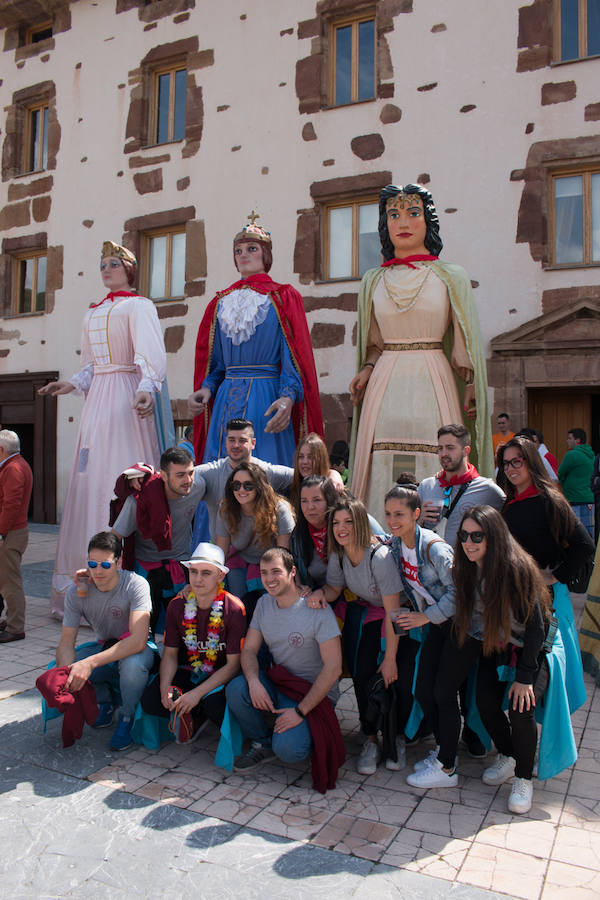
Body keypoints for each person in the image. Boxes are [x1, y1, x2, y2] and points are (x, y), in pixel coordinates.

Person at [38, 241, 174, 616]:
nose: (106, 268)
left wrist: (147, 388)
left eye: (114, 263)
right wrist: (70, 384)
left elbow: (150, 355)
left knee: (120, 474)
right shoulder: (93, 313)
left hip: (124, 395)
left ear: (130, 270)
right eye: (102, 264)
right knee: (89, 479)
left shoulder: (139, 306)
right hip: (98, 399)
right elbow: (91, 365)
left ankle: (123, 588)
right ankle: (81, 591)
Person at [348, 183, 493, 524]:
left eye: (413, 213)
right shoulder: (373, 279)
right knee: (381, 455)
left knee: (436, 448)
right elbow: (374, 342)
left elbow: (464, 337)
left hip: (433, 374)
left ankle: (442, 536)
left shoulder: (450, 276)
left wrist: (470, 380)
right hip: (385, 381)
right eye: (393, 214)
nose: (403, 222)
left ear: (428, 221)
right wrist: (368, 368)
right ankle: (376, 534)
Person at [189, 214, 323, 466]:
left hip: (266, 397)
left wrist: (288, 396)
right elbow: (216, 363)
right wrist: (206, 389)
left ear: (266, 255)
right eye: (238, 250)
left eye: (251, 248)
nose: (243, 254)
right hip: (226, 400)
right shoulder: (220, 302)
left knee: (263, 468)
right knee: (222, 470)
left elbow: (292, 358)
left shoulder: (282, 297)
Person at [451, 507, 553, 814]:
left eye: (477, 536)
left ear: (493, 537)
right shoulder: (468, 567)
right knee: (485, 701)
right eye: (464, 535)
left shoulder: (515, 569)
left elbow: (536, 627)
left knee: (522, 707)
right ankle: (509, 755)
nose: (469, 542)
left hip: (534, 647)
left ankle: (524, 777)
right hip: (499, 641)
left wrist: (525, 677)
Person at [307, 496, 407, 775]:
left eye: (348, 522)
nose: (341, 528)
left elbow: (394, 613)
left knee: (393, 676)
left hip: (396, 619)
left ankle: (396, 738)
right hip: (366, 613)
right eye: (336, 522)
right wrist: (316, 594)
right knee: (362, 673)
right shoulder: (339, 554)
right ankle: (370, 739)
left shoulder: (380, 558)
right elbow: (334, 589)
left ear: (360, 523)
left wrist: (390, 659)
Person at [225, 547, 342, 775]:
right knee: (237, 689)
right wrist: (253, 681)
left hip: (312, 692)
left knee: (290, 750)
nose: (269, 579)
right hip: (282, 685)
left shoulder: (316, 609)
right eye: (264, 572)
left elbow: (333, 667)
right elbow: (249, 650)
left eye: (276, 571)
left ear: (292, 572)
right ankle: (263, 742)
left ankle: (307, 730)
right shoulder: (264, 604)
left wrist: (300, 712)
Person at [498, 436, 591, 713]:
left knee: (541, 675)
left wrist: (554, 576)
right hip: (517, 602)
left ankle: (538, 750)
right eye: (506, 463)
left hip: (547, 604)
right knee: (522, 673)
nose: (511, 468)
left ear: (530, 462)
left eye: (517, 461)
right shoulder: (510, 503)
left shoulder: (549, 500)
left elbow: (584, 545)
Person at [53, 532, 155, 751]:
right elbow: (66, 643)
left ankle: (127, 717)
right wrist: (65, 675)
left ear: (118, 562)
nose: (97, 571)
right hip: (105, 646)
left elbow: (138, 641)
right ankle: (105, 702)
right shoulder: (78, 590)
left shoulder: (136, 585)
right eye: (92, 564)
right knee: (63, 669)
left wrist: (89, 664)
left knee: (132, 668)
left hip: (137, 650)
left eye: (105, 565)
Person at [383, 484, 456, 773]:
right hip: (438, 627)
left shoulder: (435, 549)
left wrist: (425, 618)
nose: (392, 521)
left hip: (460, 627)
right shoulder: (397, 544)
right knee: (424, 690)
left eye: (399, 514)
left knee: (444, 693)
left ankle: (448, 760)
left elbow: (460, 593)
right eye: (388, 514)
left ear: (416, 514)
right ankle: (441, 748)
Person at [140, 543, 246, 743]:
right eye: (194, 572)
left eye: (206, 573)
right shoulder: (177, 605)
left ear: (220, 576)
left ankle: (197, 712)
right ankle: (187, 710)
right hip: (192, 671)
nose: (198, 579)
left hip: (220, 678)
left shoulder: (234, 609)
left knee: (215, 706)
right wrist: (164, 688)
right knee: (151, 700)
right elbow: (170, 654)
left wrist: (196, 695)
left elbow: (233, 667)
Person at [111, 447, 206, 634]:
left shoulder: (199, 486)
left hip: (182, 565)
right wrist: (102, 568)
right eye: (180, 475)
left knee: (190, 628)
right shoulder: (140, 499)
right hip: (146, 569)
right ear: (163, 475)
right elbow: (115, 536)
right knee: (144, 630)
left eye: (190, 473)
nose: (187, 480)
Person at [192, 418, 293, 541]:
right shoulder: (210, 473)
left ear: (253, 443)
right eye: (231, 440)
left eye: (242, 440)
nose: (236, 445)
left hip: (261, 552)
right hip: (221, 549)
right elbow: (179, 475)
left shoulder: (266, 472)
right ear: (225, 442)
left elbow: (299, 476)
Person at [215, 461, 295, 599]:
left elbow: (284, 555)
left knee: (269, 601)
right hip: (240, 561)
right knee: (236, 603)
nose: (241, 490)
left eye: (248, 485)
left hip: (272, 565)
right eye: (236, 485)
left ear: (259, 487)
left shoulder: (279, 509)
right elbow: (221, 552)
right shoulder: (226, 509)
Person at [418, 424, 505, 548]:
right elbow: (409, 532)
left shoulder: (488, 490)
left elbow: (502, 535)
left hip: (466, 565)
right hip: (429, 564)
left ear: (466, 450)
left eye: (450, 448)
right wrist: (419, 519)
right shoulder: (426, 486)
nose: (443, 454)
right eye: (440, 448)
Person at [0, 430, 33, 643]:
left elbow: (11, 505)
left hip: (11, 532)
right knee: (5, 579)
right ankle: (11, 620)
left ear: (2, 450)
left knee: (10, 581)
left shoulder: (13, 468)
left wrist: (1, 532)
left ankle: (15, 626)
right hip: (12, 530)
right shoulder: (18, 465)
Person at [290, 475, 339, 590]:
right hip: (316, 599)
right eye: (304, 501)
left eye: (317, 500)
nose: (310, 507)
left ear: (329, 500)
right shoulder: (297, 537)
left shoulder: (347, 525)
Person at [289, 432, 344, 508]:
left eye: (310, 457)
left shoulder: (335, 490)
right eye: (301, 457)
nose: (305, 461)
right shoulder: (291, 491)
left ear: (321, 459)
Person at [558, 428, 595, 538]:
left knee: (575, 536)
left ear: (577, 440)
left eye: (570, 438)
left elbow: (559, 474)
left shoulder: (572, 455)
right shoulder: (591, 455)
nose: (567, 441)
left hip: (575, 501)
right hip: (589, 501)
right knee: (589, 536)